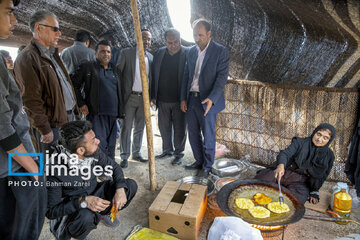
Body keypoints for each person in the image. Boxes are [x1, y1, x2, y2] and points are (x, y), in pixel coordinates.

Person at [0, 1, 47, 239]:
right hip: (13, 164)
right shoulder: (28, 57)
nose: (14, 20)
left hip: (16, 157)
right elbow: (3, 126)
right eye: (9, 12)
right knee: (20, 227)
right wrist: (33, 169)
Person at [46, 120, 137, 240]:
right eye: (94, 140)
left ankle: (101, 213)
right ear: (80, 151)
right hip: (73, 210)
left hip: (95, 192)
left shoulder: (92, 151)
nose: (98, 141)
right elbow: (51, 212)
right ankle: (76, 236)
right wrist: (83, 201)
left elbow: (114, 167)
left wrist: (120, 189)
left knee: (129, 185)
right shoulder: (54, 170)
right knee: (86, 215)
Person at [14, 10, 77, 155]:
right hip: (52, 127)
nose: (59, 33)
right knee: (53, 170)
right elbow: (30, 99)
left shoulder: (52, 54)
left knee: (67, 166)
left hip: (67, 119)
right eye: (55, 29)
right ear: (38, 28)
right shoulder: (28, 58)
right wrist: (45, 128)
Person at [181, 19, 230, 178]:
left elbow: (222, 78)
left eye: (200, 35)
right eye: (195, 35)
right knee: (193, 133)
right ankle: (199, 161)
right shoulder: (191, 51)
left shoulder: (220, 51)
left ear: (209, 34)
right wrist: (183, 98)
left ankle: (207, 166)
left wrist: (212, 98)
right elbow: (186, 76)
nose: (197, 39)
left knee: (208, 135)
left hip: (208, 101)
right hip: (192, 98)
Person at [255, 123, 336, 204]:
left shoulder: (329, 156)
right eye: (319, 134)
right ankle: (280, 187)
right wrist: (280, 166)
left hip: (300, 181)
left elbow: (323, 175)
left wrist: (314, 191)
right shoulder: (299, 142)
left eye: (325, 138)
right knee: (257, 183)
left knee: (296, 201)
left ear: (329, 140)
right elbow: (285, 154)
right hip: (283, 172)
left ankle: (280, 190)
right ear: (314, 132)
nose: (319, 139)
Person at [72, 40, 123, 161]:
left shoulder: (115, 70)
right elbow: (74, 84)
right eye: (102, 51)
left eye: (108, 52)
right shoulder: (88, 67)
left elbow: (119, 91)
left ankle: (109, 168)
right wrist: (81, 103)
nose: (106, 54)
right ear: (95, 53)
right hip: (96, 114)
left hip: (113, 115)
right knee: (98, 143)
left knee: (111, 144)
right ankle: (100, 169)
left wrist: (120, 112)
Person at [117, 29, 153, 168]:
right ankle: (124, 156)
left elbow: (151, 79)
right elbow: (118, 74)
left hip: (144, 98)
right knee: (126, 127)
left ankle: (136, 152)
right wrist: (120, 97)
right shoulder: (127, 53)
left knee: (140, 126)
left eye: (149, 39)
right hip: (129, 97)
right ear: (137, 37)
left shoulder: (151, 57)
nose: (147, 41)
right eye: (144, 38)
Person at [151, 28, 188, 165]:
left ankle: (179, 153)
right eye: (170, 42)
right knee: (164, 127)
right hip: (162, 99)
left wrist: (185, 98)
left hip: (180, 100)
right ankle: (167, 150)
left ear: (180, 39)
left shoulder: (187, 53)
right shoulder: (159, 53)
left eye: (176, 42)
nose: (173, 45)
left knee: (180, 128)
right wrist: (153, 95)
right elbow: (154, 75)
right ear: (165, 41)